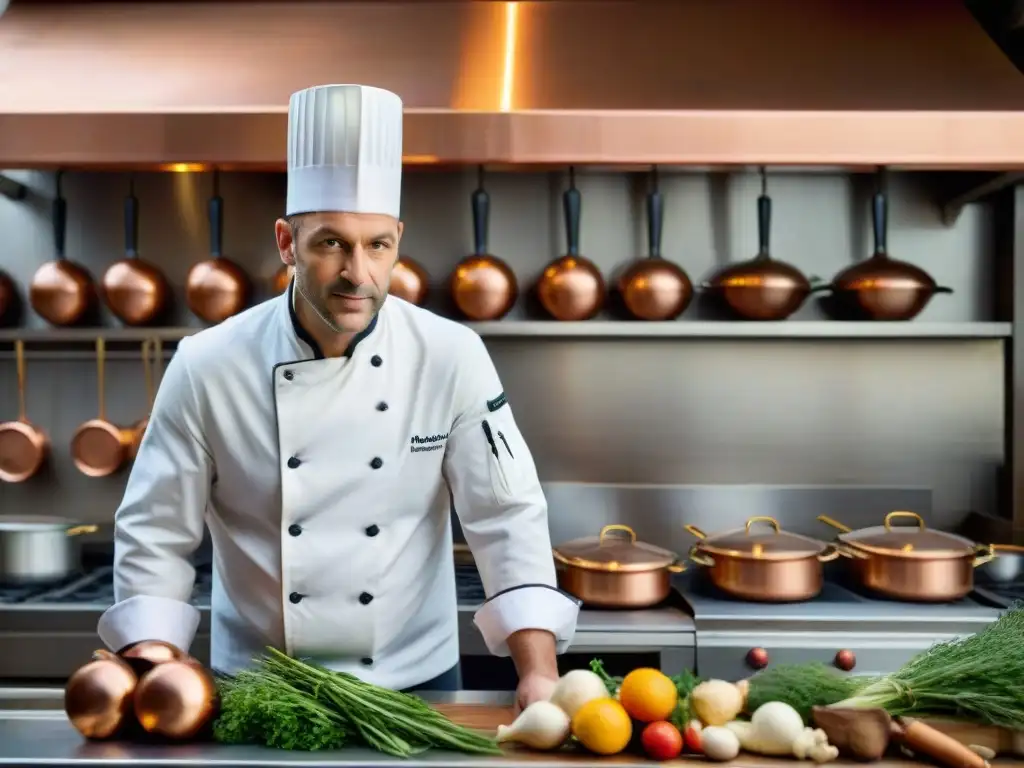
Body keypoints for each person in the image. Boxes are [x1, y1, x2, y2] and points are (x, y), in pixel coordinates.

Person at [97, 84, 580, 710]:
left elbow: (505, 516)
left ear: (398, 240)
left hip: (416, 683)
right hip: (262, 688)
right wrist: (151, 666)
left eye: (377, 244)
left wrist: (537, 671)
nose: (359, 273)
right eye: (331, 243)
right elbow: (156, 534)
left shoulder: (450, 355)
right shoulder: (207, 365)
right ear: (286, 243)